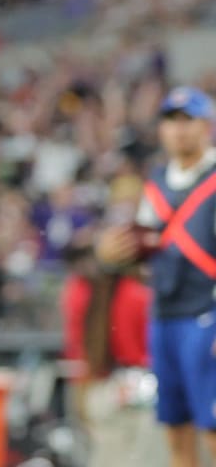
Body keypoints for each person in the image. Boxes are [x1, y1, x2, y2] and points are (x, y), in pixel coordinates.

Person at [97, 86, 216, 467]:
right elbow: (147, 251)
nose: (179, 130)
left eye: (188, 120)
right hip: (165, 316)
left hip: (206, 315)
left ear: (206, 126)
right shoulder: (158, 180)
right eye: (171, 121)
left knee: (212, 429)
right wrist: (113, 254)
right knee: (175, 428)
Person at [62, 235, 164, 467]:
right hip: (139, 393)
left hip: (100, 391)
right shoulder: (142, 296)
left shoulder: (82, 294)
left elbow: (79, 350)